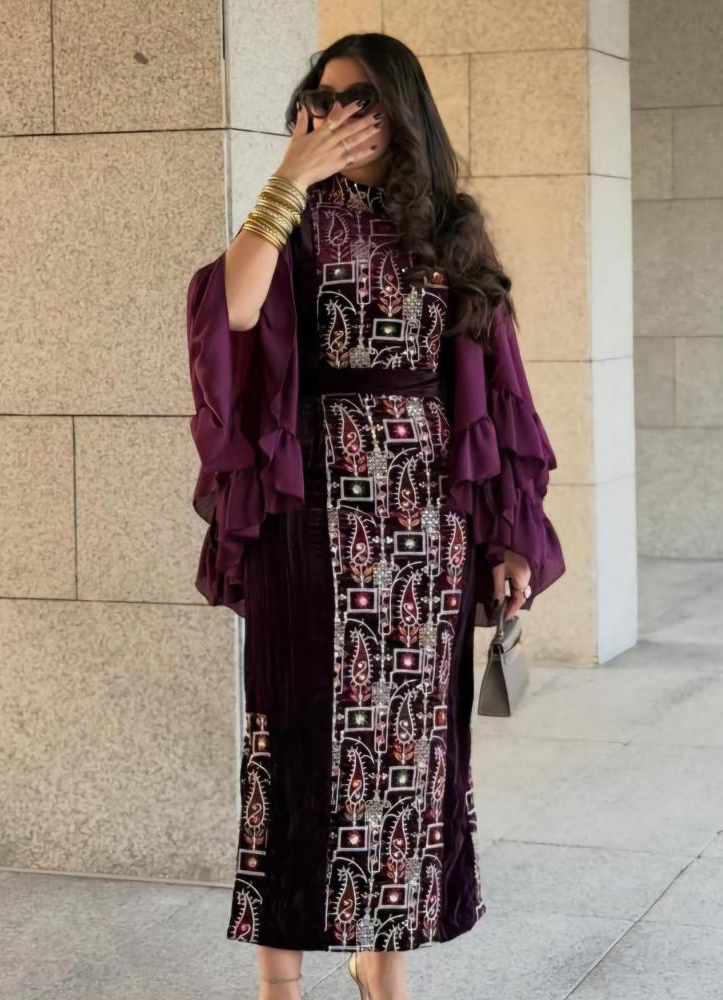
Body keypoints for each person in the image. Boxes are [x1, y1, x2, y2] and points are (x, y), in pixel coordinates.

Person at [185, 32, 565, 1000]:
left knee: (408, 745)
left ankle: (379, 955)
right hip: (310, 515)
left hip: (427, 525)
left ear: (401, 111)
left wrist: (508, 532)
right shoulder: (295, 215)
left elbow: (501, 392)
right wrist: (288, 176)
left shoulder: (451, 227)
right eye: (324, 98)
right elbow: (229, 313)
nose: (339, 116)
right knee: (295, 727)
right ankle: (280, 972)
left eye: (361, 101)